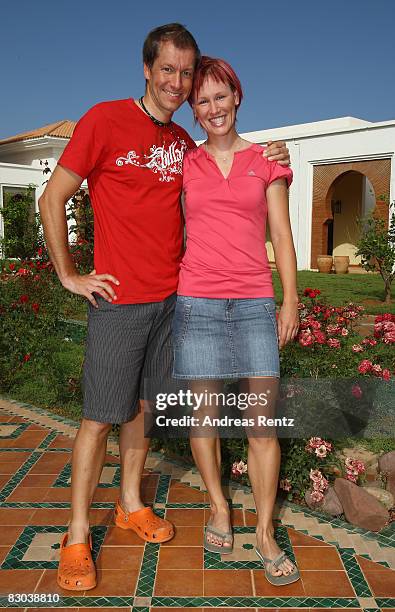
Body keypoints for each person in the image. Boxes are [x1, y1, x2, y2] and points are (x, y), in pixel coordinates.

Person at [39, 24, 290, 591]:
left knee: (144, 411)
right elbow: (52, 196)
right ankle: (78, 534)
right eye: (169, 70)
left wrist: (277, 153)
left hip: (173, 301)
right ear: (147, 69)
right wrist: (68, 274)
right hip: (117, 300)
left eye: (187, 72)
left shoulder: (182, 144)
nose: (178, 82)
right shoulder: (103, 120)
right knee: (99, 417)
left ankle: (130, 502)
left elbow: (233, 176)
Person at [172, 56, 300, 586]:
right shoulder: (186, 162)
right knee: (203, 420)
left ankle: (265, 531)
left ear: (237, 97)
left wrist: (288, 301)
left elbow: (283, 234)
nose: (213, 108)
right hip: (196, 303)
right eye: (202, 101)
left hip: (252, 305)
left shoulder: (267, 162)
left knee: (260, 427)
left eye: (220, 96)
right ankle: (221, 507)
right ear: (194, 112)